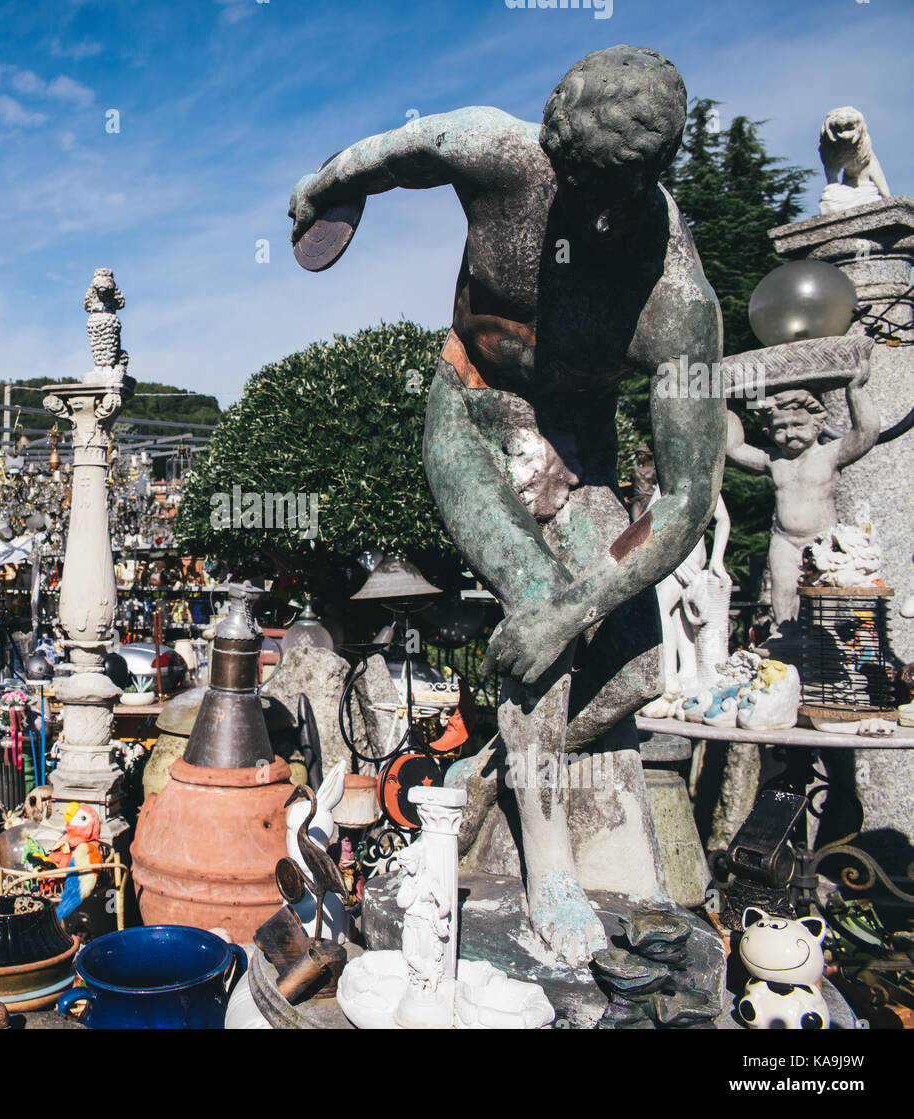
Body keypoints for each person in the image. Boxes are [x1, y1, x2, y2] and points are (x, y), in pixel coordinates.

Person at [290, 46, 724, 964]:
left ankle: (499, 763)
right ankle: (550, 867)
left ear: (650, 178)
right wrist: (324, 187)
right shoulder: (497, 150)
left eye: (615, 195)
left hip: (576, 450)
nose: (594, 213)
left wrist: (580, 602)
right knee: (537, 608)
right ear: (552, 153)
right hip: (473, 413)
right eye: (576, 184)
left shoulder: (677, 295)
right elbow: (395, 151)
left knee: (638, 666)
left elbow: (689, 495)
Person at [725, 373, 878, 629]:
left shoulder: (831, 454)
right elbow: (735, 448)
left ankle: (824, 640)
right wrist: (726, 402)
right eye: (780, 428)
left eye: (797, 425)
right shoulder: (773, 460)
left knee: (823, 600)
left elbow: (866, 432)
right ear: (769, 430)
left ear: (817, 424)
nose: (789, 434)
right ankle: (786, 640)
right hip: (784, 540)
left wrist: (856, 390)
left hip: (822, 539)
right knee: (782, 593)